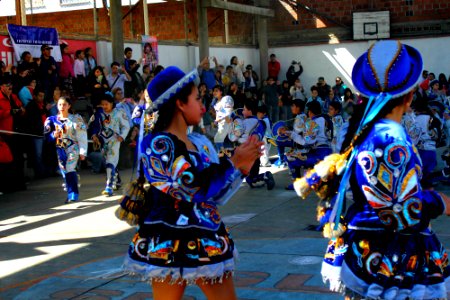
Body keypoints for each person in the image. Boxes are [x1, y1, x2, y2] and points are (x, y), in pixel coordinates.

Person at [294, 40, 450, 299]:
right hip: (389, 254)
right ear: (410, 96)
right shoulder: (390, 137)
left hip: (364, 247)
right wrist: (440, 202)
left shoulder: (365, 132)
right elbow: (399, 211)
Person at [121, 66, 262, 300]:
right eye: (197, 99)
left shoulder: (200, 143)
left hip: (207, 235)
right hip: (167, 237)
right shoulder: (158, 145)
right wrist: (233, 163)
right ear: (179, 103)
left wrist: (241, 169)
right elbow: (192, 188)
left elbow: (213, 197)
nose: (203, 106)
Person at [44, 97, 87, 202]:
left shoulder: (76, 119)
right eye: (60, 105)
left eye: (64, 104)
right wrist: (53, 135)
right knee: (65, 172)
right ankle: (71, 189)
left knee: (69, 168)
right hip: (60, 150)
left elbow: (82, 135)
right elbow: (46, 137)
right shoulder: (51, 120)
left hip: (73, 148)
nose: (62, 107)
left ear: (69, 106)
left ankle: (73, 194)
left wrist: (83, 151)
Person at [228, 99, 275, 189]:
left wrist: (234, 119)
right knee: (251, 178)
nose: (242, 111)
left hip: (246, 153)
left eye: (244, 109)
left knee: (243, 175)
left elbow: (233, 137)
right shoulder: (260, 122)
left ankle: (265, 176)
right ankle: (263, 176)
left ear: (250, 111)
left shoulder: (244, 122)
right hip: (255, 153)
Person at [89, 93, 130, 196]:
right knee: (109, 160)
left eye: (106, 104)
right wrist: (94, 135)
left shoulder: (119, 112)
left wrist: (122, 136)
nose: (104, 106)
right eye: (102, 104)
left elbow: (126, 126)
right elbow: (92, 125)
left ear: (112, 103)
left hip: (115, 140)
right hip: (102, 141)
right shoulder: (98, 113)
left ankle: (109, 186)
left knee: (110, 160)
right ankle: (118, 181)